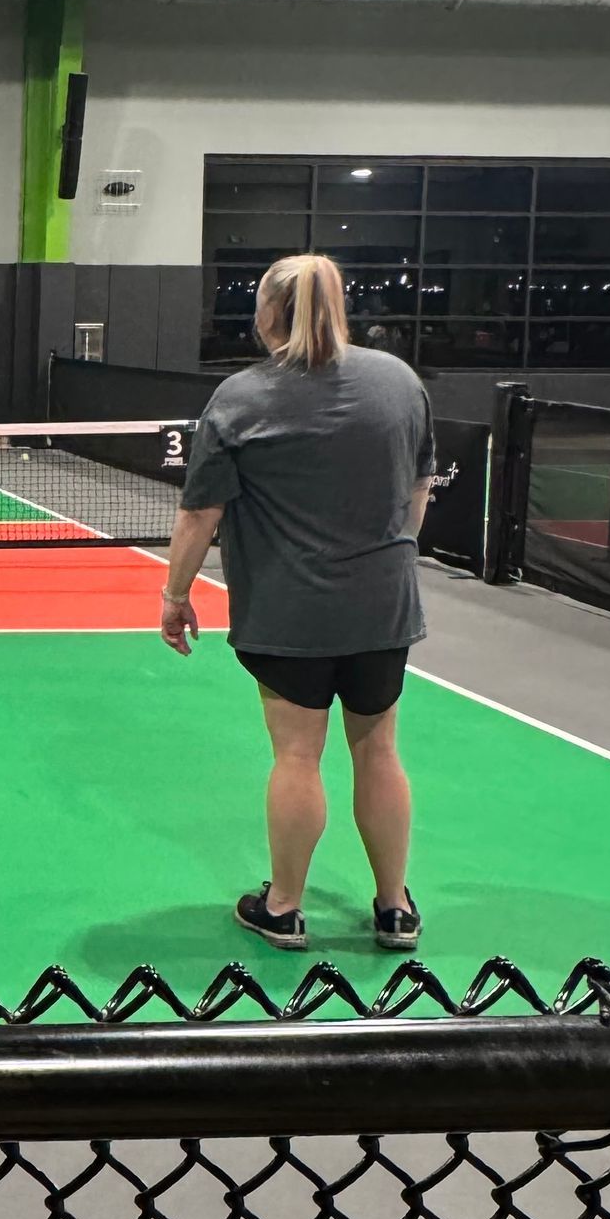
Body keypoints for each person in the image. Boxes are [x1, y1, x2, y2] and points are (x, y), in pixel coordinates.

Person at [159, 251, 435, 952]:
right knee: (379, 751)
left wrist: (175, 594)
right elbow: (418, 491)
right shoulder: (399, 383)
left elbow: (200, 516)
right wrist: (388, 556)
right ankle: (394, 909)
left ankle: (282, 908)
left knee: (298, 757)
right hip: (383, 609)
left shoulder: (241, 398)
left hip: (289, 613)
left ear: (269, 314)